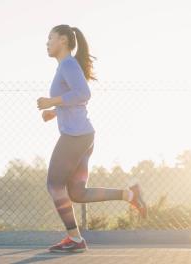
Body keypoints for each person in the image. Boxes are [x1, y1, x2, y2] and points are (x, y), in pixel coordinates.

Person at [37, 24, 147, 253]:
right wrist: (55, 112)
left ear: (64, 41)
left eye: (50, 38)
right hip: (83, 135)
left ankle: (75, 240)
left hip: (75, 136)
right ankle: (130, 194)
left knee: (54, 184)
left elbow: (84, 94)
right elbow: (77, 100)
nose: (47, 42)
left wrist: (52, 101)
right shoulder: (66, 66)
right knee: (77, 193)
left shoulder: (67, 64)